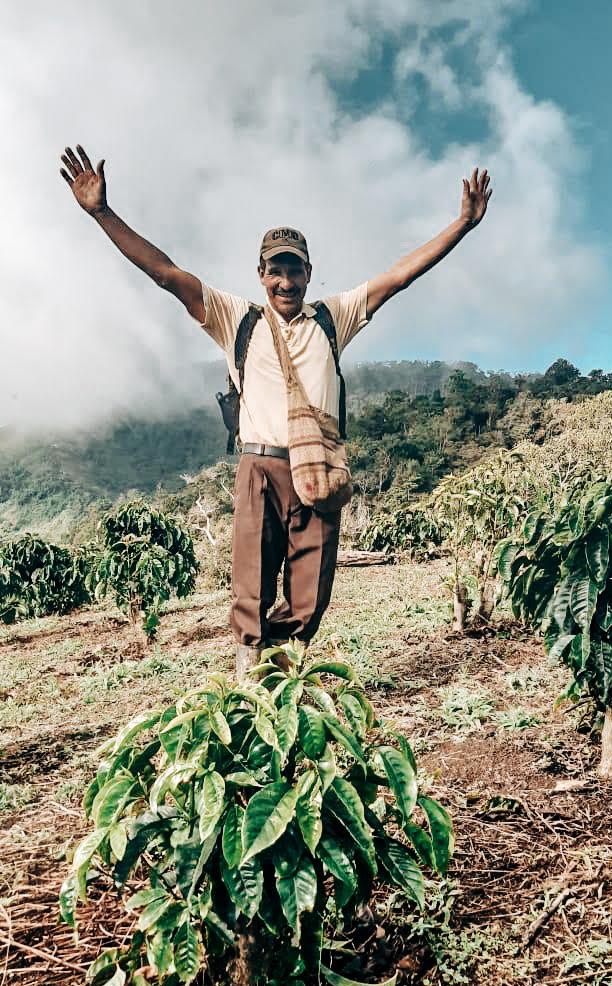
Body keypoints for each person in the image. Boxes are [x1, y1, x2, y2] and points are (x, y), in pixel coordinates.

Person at [60, 146, 492, 678]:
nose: (285, 282)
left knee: (309, 595)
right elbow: (166, 274)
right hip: (259, 468)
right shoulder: (235, 319)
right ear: (260, 274)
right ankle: (249, 680)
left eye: (295, 271)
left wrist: (463, 225)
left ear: (310, 274)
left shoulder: (333, 318)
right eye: (275, 271)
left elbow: (399, 276)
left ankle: (282, 676)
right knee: (251, 587)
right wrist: (103, 213)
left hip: (320, 472)